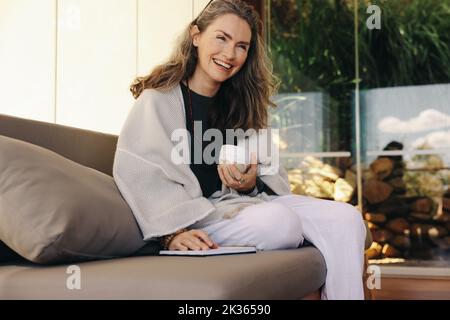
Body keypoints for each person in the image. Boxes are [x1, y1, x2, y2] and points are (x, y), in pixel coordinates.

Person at [113, 0, 366, 299]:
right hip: (198, 214)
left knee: (347, 218)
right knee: (280, 224)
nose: (230, 54)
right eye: (221, 38)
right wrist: (172, 234)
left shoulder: (243, 105)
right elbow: (140, 174)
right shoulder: (157, 102)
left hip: (245, 206)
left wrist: (249, 184)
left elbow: (272, 181)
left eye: (242, 46)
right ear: (196, 36)